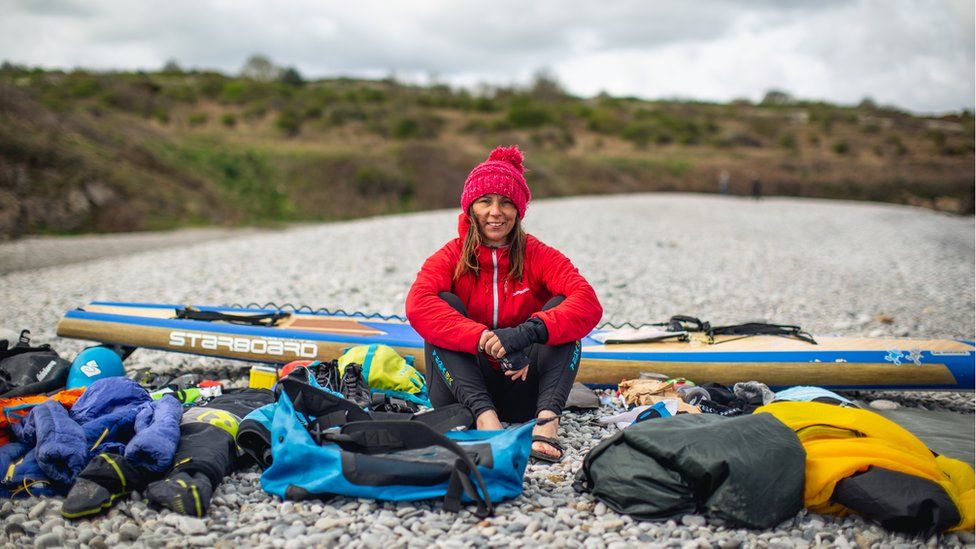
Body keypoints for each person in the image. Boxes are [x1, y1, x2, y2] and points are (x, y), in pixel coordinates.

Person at [406, 145, 602, 462]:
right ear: (471, 208)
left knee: (562, 306)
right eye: (485, 201)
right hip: (462, 393)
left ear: (518, 211)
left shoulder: (539, 254)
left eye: (506, 202)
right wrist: (483, 338)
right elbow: (418, 304)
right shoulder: (451, 255)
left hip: (523, 389)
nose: (495, 212)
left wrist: (526, 334)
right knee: (443, 304)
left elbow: (588, 302)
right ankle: (488, 422)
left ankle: (546, 425)